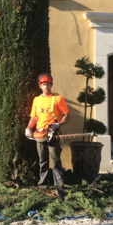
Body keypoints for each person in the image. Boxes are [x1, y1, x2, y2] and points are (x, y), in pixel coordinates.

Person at [25, 73, 70, 202]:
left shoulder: (57, 99)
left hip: (53, 135)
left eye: (48, 84)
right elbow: (34, 117)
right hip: (39, 135)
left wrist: (58, 124)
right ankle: (43, 189)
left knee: (56, 162)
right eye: (44, 84)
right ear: (40, 86)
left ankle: (60, 191)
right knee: (42, 162)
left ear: (51, 84)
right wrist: (28, 128)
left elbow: (67, 115)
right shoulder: (37, 100)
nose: (46, 86)